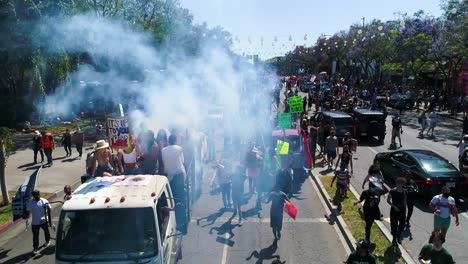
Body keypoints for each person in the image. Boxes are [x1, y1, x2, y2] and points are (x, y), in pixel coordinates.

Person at [355, 177, 387, 243]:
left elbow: (386, 191)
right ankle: (367, 239)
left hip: (375, 210)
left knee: (377, 218)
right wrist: (357, 202)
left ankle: (378, 216)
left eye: (374, 186)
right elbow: (361, 199)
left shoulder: (378, 191)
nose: (372, 188)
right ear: (369, 186)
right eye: (371, 186)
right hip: (367, 211)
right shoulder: (366, 192)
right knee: (368, 225)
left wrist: (381, 184)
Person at [25, 190, 52, 255]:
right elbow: (28, 212)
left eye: (37, 195)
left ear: (39, 194)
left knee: (46, 231)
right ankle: (35, 248)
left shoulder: (44, 201)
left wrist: (49, 220)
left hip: (43, 220)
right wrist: (26, 219)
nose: (36, 196)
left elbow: (49, 209)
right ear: (33, 196)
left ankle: (47, 241)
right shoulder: (31, 202)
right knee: (35, 236)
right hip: (35, 222)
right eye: (35, 195)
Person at [387, 177, 407, 245]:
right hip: (394, 210)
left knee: (402, 225)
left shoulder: (405, 191)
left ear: (403, 184)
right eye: (398, 183)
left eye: (401, 183)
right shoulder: (392, 191)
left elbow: (405, 200)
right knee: (394, 225)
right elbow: (388, 200)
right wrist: (394, 207)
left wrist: (404, 208)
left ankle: (398, 235)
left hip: (402, 211)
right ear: (396, 183)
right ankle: (394, 239)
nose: (399, 185)